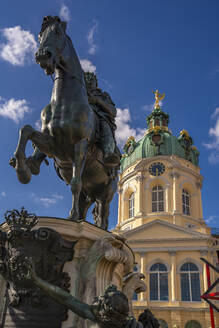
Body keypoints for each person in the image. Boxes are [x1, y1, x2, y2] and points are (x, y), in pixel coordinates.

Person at [22, 259, 143, 328]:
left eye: (100, 299)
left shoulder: (99, 317)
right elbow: (66, 299)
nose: (96, 298)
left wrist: (36, 280)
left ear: (106, 310)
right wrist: (36, 280)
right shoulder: (102, 317)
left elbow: (66, 299)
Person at [85, 72, 120, 167]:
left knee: (104, 126)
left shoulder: (103, 95)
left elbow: (113, 112)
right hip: (80, 118)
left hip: (99, 116)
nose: (88, 82)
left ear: (95, 83)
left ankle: (108, 152)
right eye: (86, 79)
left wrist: (98, 101)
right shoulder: (78, 93)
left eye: (91, 79)